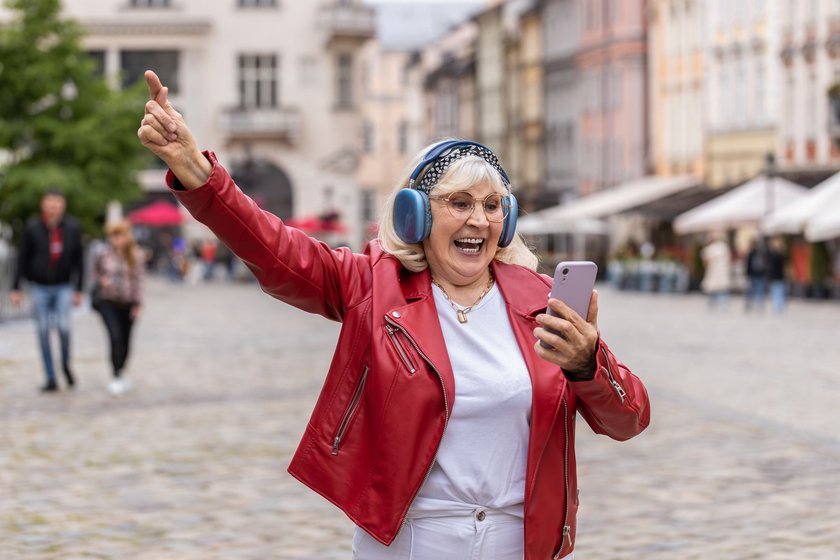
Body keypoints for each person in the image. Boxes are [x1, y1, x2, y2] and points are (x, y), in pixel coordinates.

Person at [137, 70, 650, 560]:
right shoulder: (372, 287)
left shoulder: (541, 301)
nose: (479, 219)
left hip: (520, 544)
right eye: (460, 202)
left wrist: (588, 364)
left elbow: (628, 419)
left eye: (493, 205)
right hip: (411, 544)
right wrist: (199, 173)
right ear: (417, 215)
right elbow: (275, 250)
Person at [11, 189, 84, 392]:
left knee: (63, 328)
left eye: (57, 203)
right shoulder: (33, 227)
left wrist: (79, 289)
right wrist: (16, 287)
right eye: (50, 203)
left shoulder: (72, 227)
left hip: (63, 286)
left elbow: (80, 260)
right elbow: (22, 257)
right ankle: (51, 377)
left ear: (63, 205)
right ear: (43, 205)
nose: (53, 207)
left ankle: (66, 365)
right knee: (43, 331)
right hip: (39, 287)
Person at [91, 219, 146, 395]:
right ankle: (115, 376)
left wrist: (138, 304)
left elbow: (139, 280)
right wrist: (102, 281)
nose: (118, 239)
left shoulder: (136, 254)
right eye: (114, 235)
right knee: (115, 337)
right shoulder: (103, 253)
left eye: (121, 235)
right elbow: (95, 273)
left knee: (126, 341)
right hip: (108, 302)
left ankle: (121, 371)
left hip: (128, 302)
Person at [700, 231, 732, 310]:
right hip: (723, 273)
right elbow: (729, 260)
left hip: (713, 273)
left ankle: (712, 307)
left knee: (712, 291)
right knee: (722, 290)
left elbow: (706, 263)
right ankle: (724, 307)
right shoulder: (724, 247)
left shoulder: (709, 249)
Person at [744, 237, 768, 312]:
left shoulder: (751, 253)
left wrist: (747, 273)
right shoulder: (762, 252)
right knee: (760, 290)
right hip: (760, 274)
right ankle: (760, 304)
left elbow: (748, 264)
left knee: (751, 290)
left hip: (752, 274)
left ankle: (750, 304)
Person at [766, 237, 787, 313]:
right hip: (780, 276)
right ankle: (779, 306)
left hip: (775, 276)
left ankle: (777, 306)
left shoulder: (773, 256)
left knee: (776, 292)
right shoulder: (780, 255)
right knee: (779, 292)